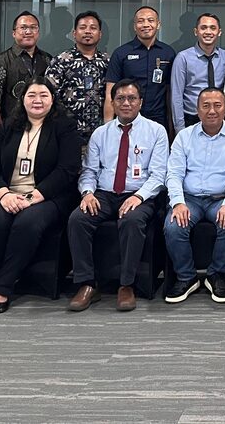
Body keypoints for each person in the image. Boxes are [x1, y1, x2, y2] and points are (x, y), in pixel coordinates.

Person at [0, 79, 80, 313]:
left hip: (46, 197)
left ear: (53, 99)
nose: (37, 100)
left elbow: (68, 169)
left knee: (26, 224)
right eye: (31, 95)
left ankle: (3, 285)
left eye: (43, 95)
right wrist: (3, 195)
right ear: (23, 100)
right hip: (8, 194)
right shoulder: (10, 126)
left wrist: (34, 196)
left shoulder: (65, 127)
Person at [67, 79, 168, 313]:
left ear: (141, 102)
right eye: (120, 99)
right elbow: (89, 171)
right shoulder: (100, 134)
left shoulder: (156, 131)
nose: (126, 103)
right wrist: (87, 193)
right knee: (78, 219)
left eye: (132, 98)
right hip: (104, 193)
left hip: (139, 194)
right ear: (112, 103)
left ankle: (126, 285)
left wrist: (139, 197)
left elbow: (159, 175)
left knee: (131, 221)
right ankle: (87, 283)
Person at [163, 87, 225, 303]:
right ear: (197, 110)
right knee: (173, 226)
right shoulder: (184, 136)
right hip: (189, 199)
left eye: (217, 105)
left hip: (221, 199)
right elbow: (173, 174)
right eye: (206, 106)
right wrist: (178, 203)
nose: (212, 111)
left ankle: (217, 275)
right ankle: (187, 277)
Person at [104, 5, 175, 134]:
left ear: (158, 25)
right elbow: (110, 92)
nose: (146, 24)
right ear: (134, 26)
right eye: (140, 21)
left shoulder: (168, 53)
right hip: (127, 118)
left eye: (150, 20)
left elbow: (171, 92)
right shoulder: (121, 53)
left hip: (159, 119)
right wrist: (107, 128)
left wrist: (172, 126)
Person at [45, 10, 111, 144]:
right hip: (67, 134)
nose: (88, 31)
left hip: (102, 135)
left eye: (93, 28)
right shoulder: (61, 61)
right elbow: (48, 95)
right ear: (74, 33)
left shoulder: (108, 62)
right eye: (83, 27)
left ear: (100, 34)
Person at [0, 11, 52, 134]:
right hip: (11, 129)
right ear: (14, 33)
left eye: (33, 27)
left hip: (44, 127)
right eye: (23, 28)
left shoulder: (48, 60)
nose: (28, 32)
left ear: (38, 32)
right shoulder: (0, 61)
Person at [170, 13, 225, 131]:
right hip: (192, 118)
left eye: (213, 28)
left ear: (219, 32)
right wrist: (179, 129)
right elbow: (176, 96)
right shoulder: (183, 58)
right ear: (196, 31)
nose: (208, 32)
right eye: (203, 28)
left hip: (220, 118)